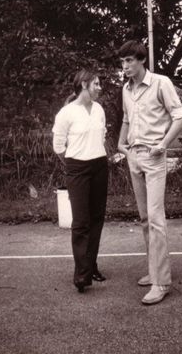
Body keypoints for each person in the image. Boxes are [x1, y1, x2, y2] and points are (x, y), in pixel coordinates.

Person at [117, 40, 182, 305]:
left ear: (141, 60)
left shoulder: (161, 83)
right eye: (122, 62)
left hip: (155, 157)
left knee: (156, 219)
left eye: (129, 61)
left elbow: (180, 117)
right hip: (134, 156)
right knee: (145, 219)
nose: (124, 66)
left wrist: (163, 145)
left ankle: (162, 282)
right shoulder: (126, 89)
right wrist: (121, 145)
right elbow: (126, 119)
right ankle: (153, 270)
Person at [52, 69, 108, 293]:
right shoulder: (66, 113)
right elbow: (58, 146)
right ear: (84, 84)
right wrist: (73, 165)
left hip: (100, 166)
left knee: (97, 219)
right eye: (96, 83)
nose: (100, 87)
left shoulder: (99, 109)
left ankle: (91, 266)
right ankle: (81, 275)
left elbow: (102, 136)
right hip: (77, 168)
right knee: (81, 221)